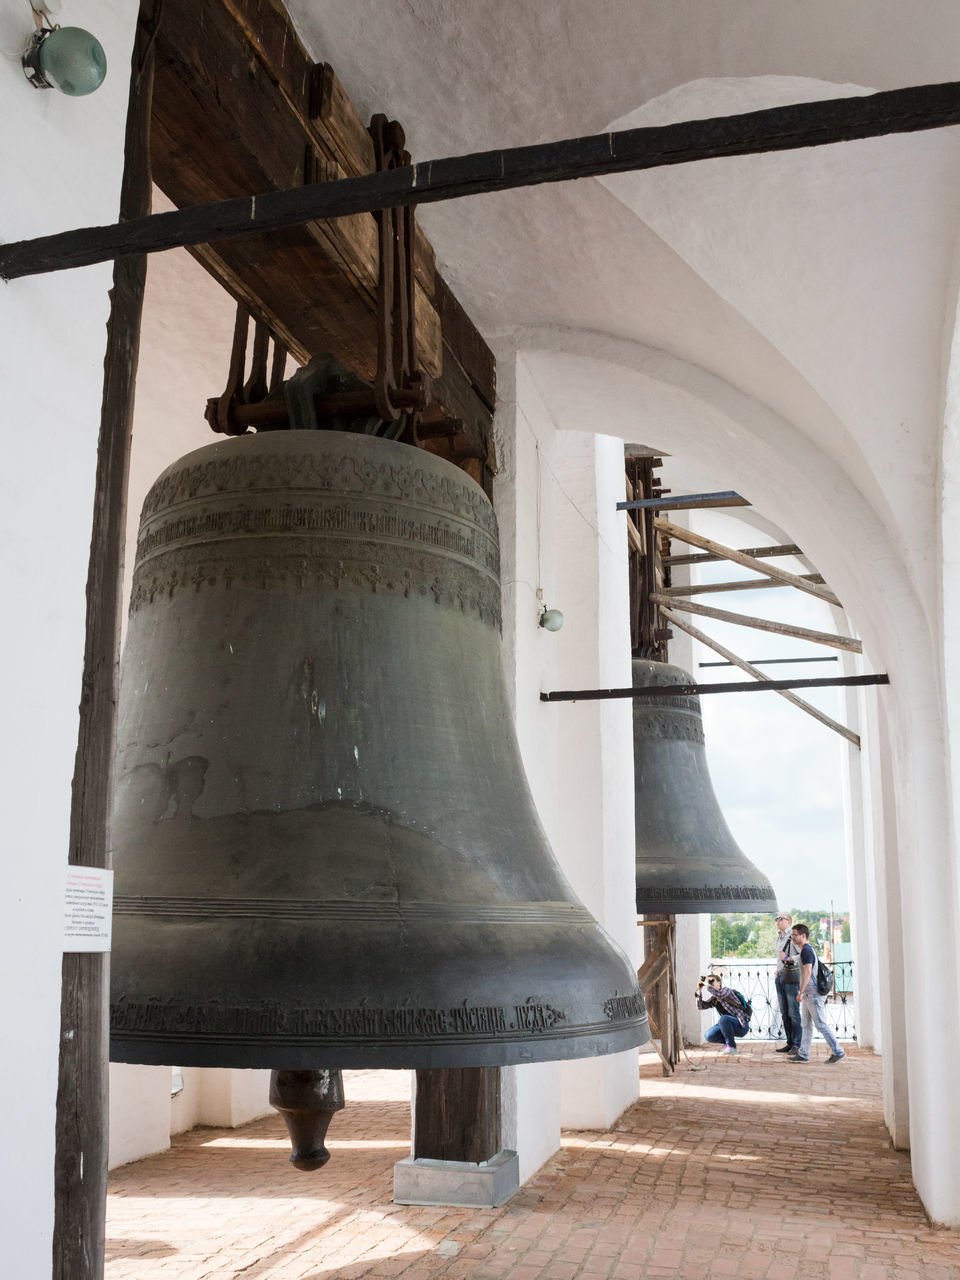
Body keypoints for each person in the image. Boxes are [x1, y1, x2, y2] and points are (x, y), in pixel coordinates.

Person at [789, 923, 846, 1064]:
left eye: (795, 935)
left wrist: (800, 992)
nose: (793, 937)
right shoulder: (805, 950)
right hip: (809, 994)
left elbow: (808, 972)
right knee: (806, 1025)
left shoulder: (806, 951)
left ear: (803, 935)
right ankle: (803, 1054)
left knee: (820, 1024)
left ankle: (838, 1051)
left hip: (813, 994)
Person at [696, 973, 749, 1055]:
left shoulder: (726, 991)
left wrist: (707, 984)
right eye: (709, 981)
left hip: (741, 1026)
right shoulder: (715, 999)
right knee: (708, 1035)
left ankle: (731, 1047)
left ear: (719, 983)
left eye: (712, 981)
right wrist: (699, 990)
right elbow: (700, 1006)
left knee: (724, 1018)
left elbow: (719, 994)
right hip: (726, 1024)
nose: (710, 983)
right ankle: (728, 1043)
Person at [774, 912, 802, 1053]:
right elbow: (779, 957)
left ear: (789, 921)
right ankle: (790, 1042)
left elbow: (802, 954)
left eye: (781, 919)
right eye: (777, 919)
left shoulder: (793, 935)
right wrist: (777, 970)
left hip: (791, 977)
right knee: (784, 1012)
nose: (778, 921)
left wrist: (789, 959)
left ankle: (797, 1044)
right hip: (780, 976)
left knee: (793, 1011)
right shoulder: (779, 936)